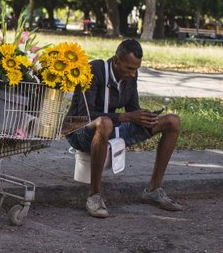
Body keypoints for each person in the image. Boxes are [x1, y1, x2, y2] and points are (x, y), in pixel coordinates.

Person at [66, 38, 184, 218]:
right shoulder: (94, 70)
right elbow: (85, 114)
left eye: (136, 69)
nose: (133, 74)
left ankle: (153, 189)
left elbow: (132, 109)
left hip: (110, 127)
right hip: (79, 130)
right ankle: (94, 196)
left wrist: (145, 117)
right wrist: (125, 117)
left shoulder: (130, 76)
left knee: (172, 121)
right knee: (104, 123)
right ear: (116, 61)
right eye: (129, 68)